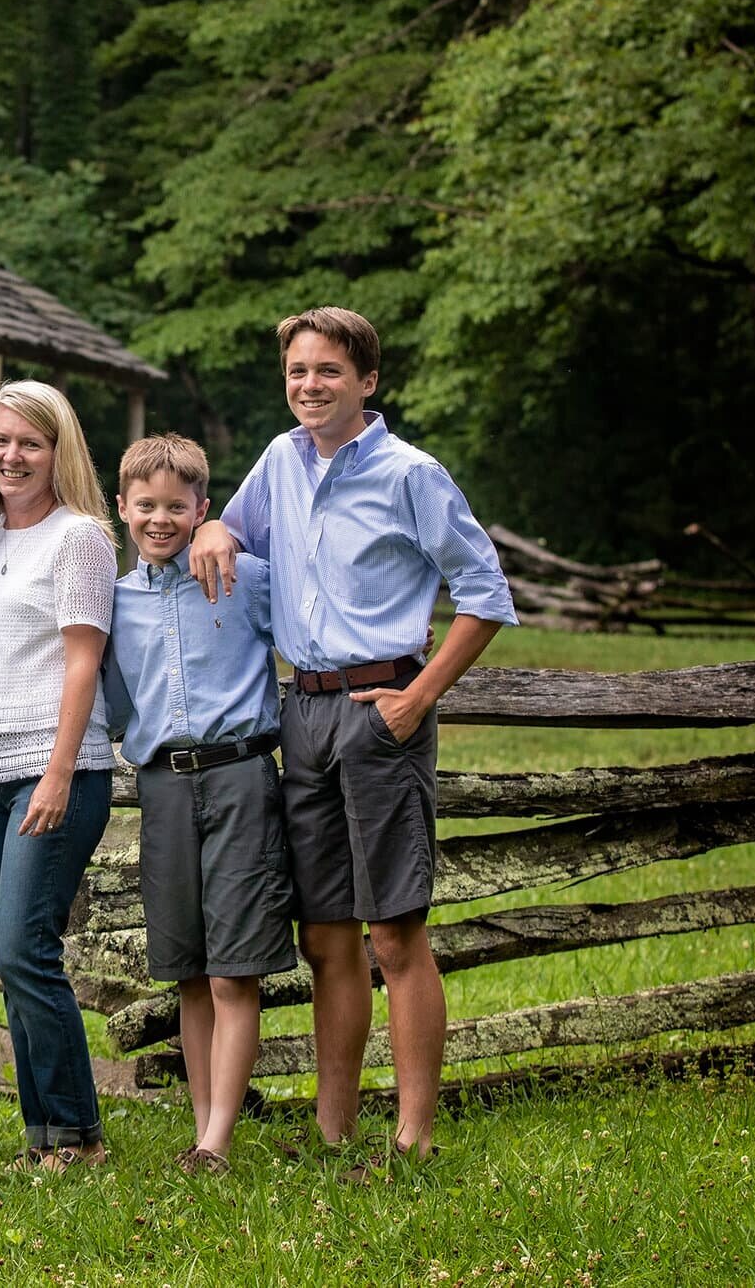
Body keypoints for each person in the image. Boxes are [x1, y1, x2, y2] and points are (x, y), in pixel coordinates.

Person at [187, 306, 516, 1168]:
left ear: (367, 381)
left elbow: (486, 595)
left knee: (395, 934)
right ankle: (333, 1132)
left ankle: (412, 1138)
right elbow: (233, 528)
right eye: (297, 371)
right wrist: (217, 524)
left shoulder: (412, 473)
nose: (309, 386)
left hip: (381, 710)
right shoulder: (279, 461)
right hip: (303, 714)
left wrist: (416, 699)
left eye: (327, 371)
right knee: (325, 936)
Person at [102, 433, 294, 1173]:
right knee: (188, 967)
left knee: (231, 967)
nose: (160, 519)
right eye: (145, 506)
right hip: (163, 785)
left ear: (201, 508)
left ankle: (216, 1139)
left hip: (241, 775)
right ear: (122, 509)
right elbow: (117, 702)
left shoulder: (244, 578)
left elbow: (315, 631)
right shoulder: (116, 602)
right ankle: (203, 1122)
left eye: (176, 507)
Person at [0, 381, 119, 1170]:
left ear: (60, 452)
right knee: (10, 952)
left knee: (25, 948)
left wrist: (57, 774)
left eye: (30, 443)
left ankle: (79, 1136)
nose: (11, 456)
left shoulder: (79, 537)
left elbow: (83, 663)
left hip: (55, 769)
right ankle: (43, 1136)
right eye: (0, 441)